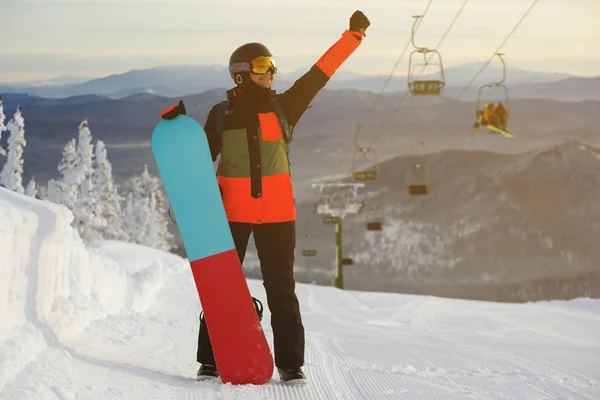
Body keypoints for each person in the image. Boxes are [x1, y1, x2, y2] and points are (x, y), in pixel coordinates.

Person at [195, 10, 371, 385]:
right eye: (263, 66)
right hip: (233, 214)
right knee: (221, 287)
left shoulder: (284, 107)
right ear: (242, 72)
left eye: (273, 66)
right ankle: (210, 360)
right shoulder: (221, 115)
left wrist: (352, 37)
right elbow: (197, 160)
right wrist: (178, 129)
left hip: (277, 216)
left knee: (282, 291)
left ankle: (291, 365)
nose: (271, 72)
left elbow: (319, 74)